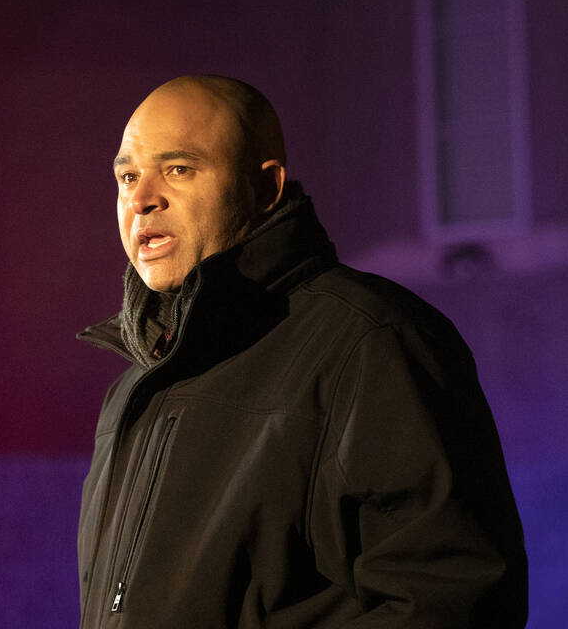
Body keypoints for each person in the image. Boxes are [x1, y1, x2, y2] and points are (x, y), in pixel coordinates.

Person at [76, 75, 527, 628]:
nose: (142, 199)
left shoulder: (372, 343)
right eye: (127, 176)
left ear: (265, 189)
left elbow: (452, 599)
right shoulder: (134, 387)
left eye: (179, 169)